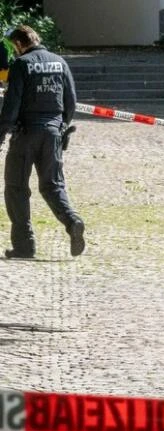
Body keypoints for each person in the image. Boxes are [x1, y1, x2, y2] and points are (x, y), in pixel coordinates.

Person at [0, 25, 84, 259]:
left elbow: (11, 107)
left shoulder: (22, 64)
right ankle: (73, 221)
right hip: (52, 134)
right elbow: (71, 102)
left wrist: (1, 134)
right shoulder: (59, 62)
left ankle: (24, 246)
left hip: (25, 136)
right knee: (53, 186)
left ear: (18, 44)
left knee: (16, 189)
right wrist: (61, 127)